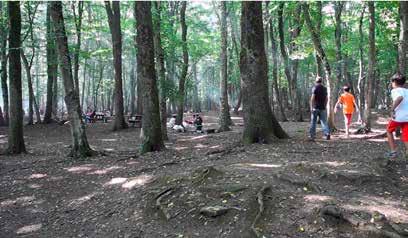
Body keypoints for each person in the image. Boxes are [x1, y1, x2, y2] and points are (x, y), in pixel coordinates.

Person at [385, 73, 408, 158]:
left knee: (389, 130)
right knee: (406, 136)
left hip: (398, 117)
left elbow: (399, 98)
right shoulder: (407, 91)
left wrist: (392, 109)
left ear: (394, 82)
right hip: (407, 117)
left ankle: (393, 152)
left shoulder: (395, 91)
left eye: (392, 82)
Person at [309, 76, 330, 141]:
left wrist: (311, 107)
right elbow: (327, 98)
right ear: (321, 81)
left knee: (313, 122)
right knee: (324, 122)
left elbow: (312, 98)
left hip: (315, 108)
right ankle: (327, 133)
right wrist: (325, 105)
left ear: (316, 81)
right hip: (322, 108)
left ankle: (312, 136)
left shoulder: (315, 88)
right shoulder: (325, 88)